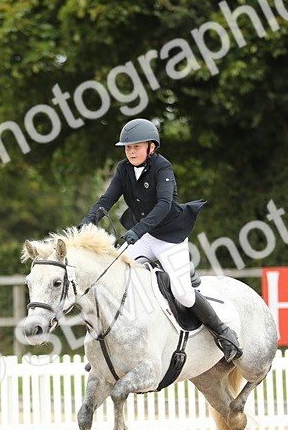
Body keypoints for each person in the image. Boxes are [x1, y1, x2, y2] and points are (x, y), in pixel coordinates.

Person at [79, 118, 241, 361]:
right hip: (143, 236)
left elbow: (164, 205)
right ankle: (105, 349)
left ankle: (224, 334)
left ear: (151, 147)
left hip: (169, 238)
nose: (131, 151)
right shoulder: (123, 169)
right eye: (127, 147)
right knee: (111, 276)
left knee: (183, 294)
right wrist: (89, 220)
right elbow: (107, 199)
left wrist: (138, 230)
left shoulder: (162, 167)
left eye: (136, 146)